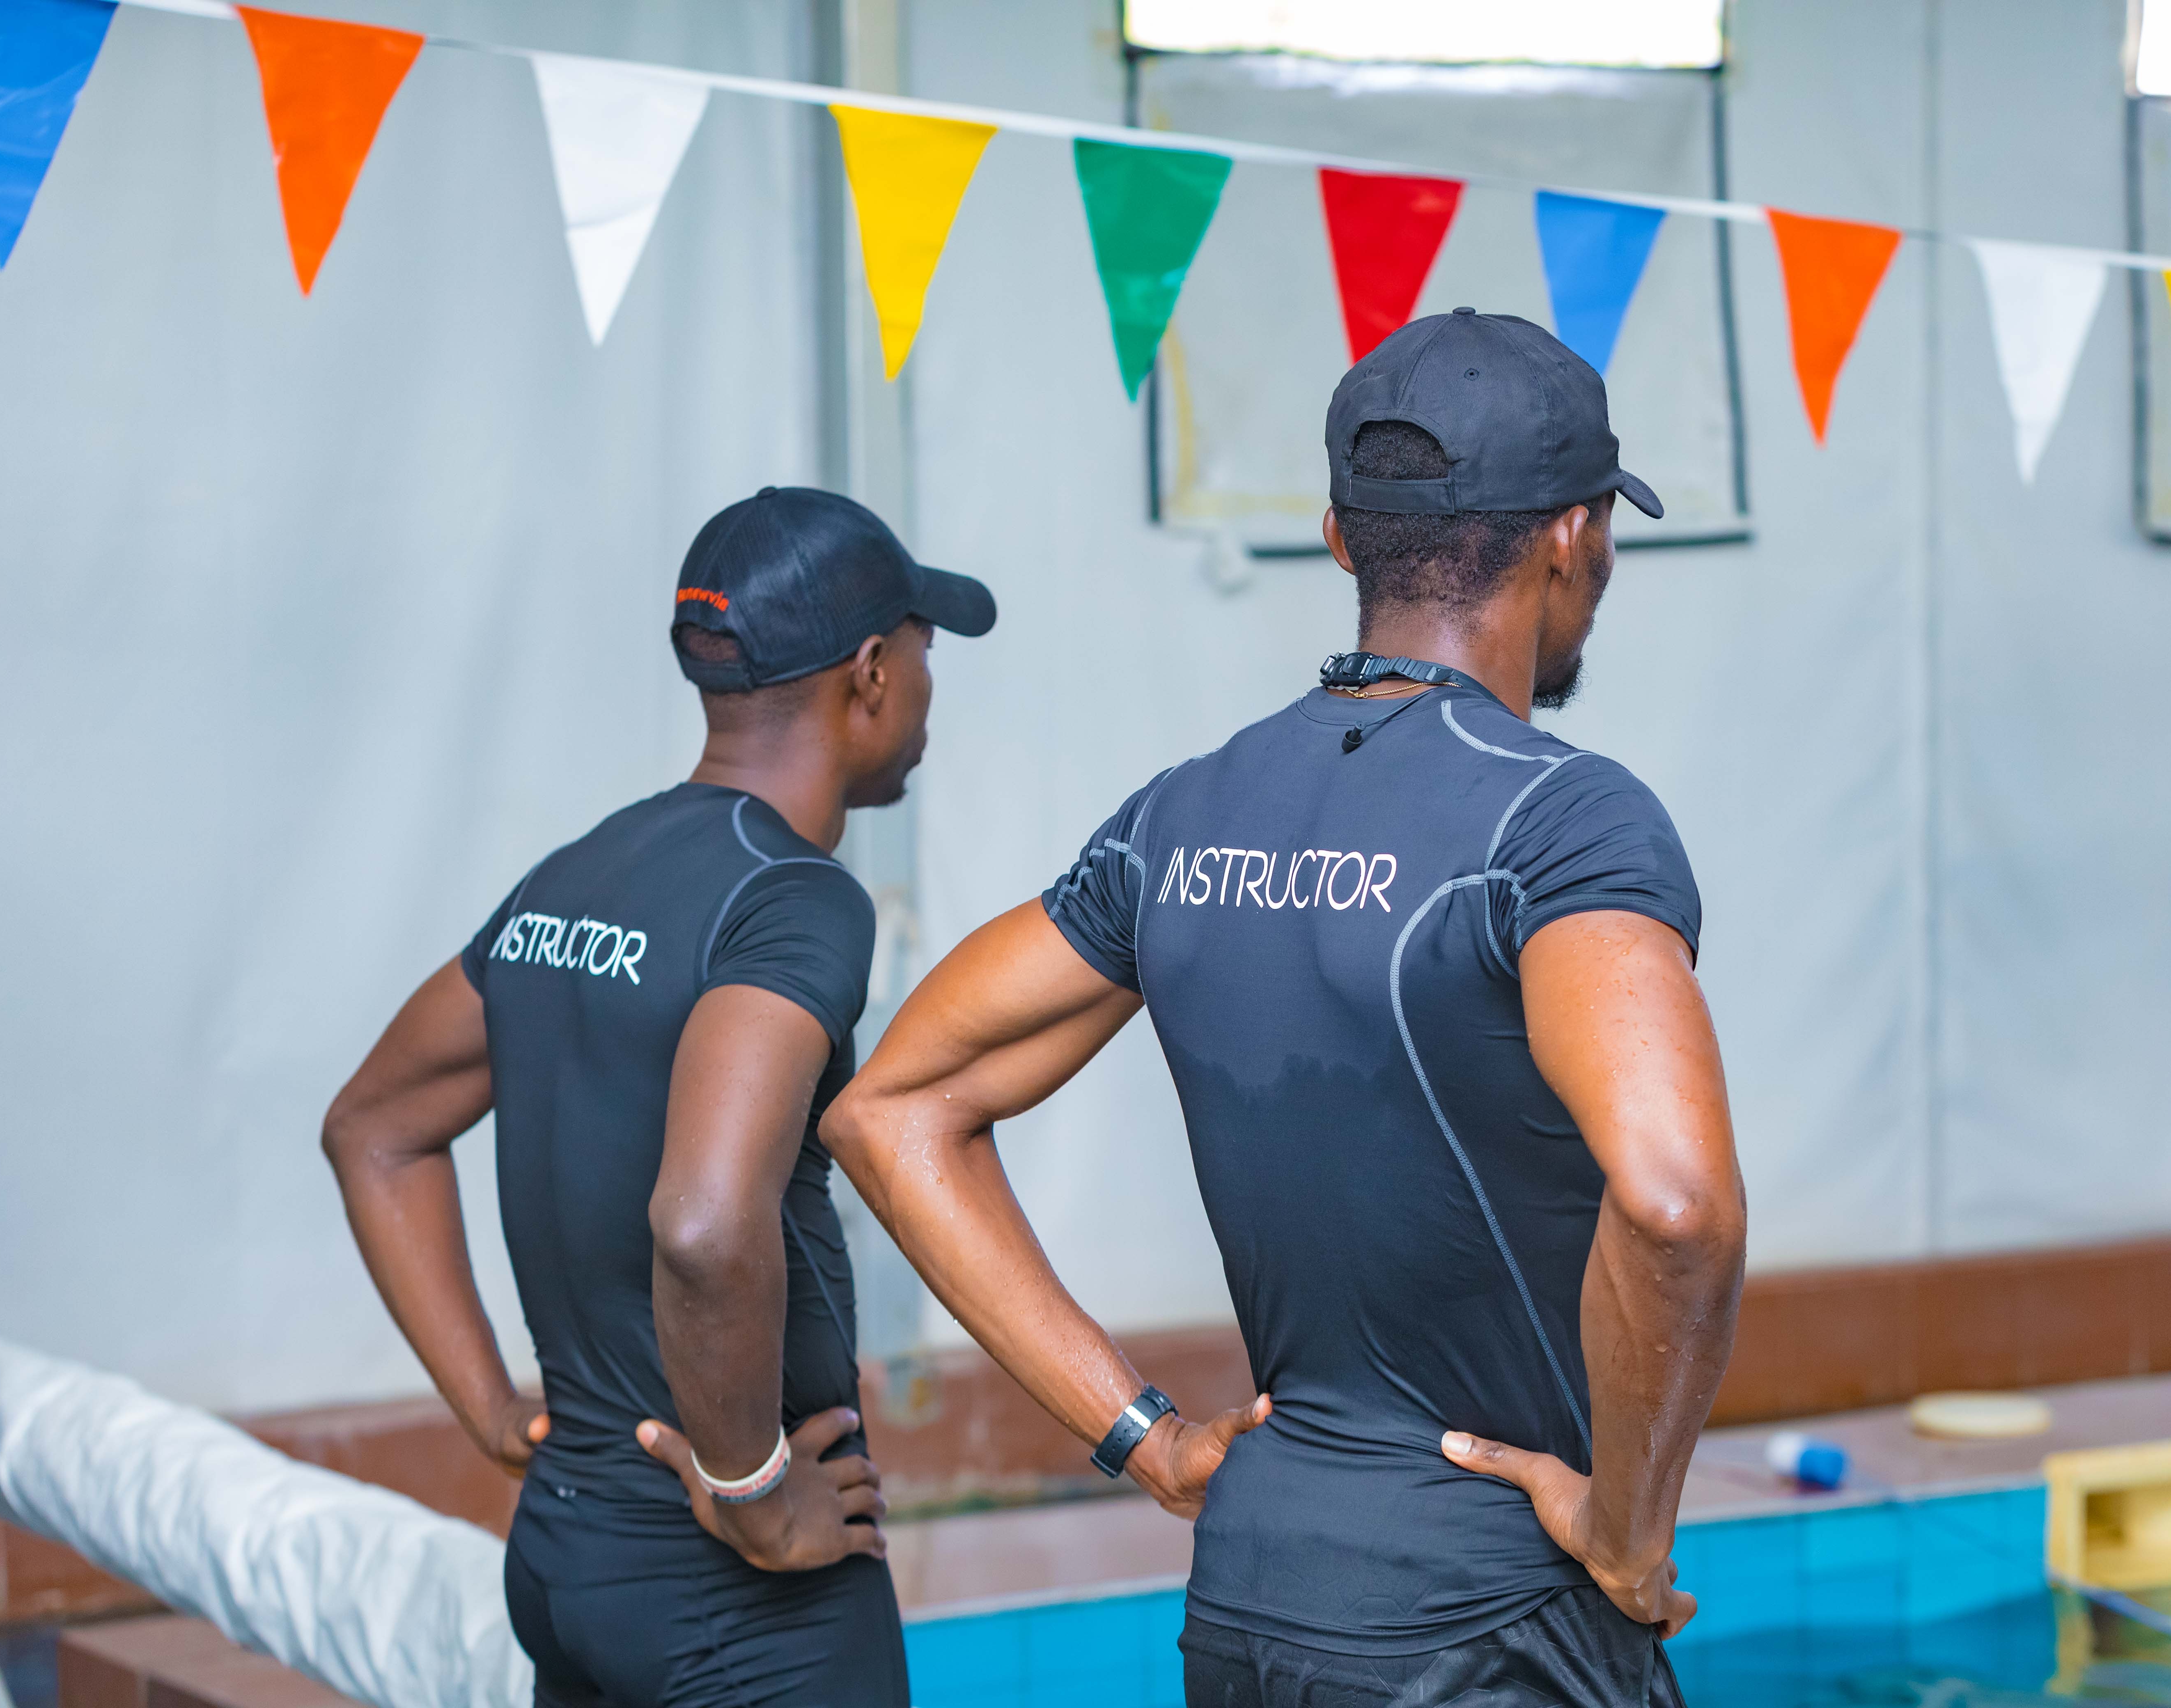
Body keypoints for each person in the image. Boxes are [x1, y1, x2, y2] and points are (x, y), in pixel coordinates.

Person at [822, 311, 1748, 1706]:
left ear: (1335, 537)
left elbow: (890, 1111)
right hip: (1490, 1622)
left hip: (1248, 1607)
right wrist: (1627, 1530)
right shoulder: (1563, 824)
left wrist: (1143, 1438)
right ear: (1572, 536)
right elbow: (1676, 1203)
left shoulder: (1186, 815)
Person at [322, 487, 996, 1708]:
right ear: (871, 676)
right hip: (733, 1597)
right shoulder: (791, 900)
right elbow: (702, 1221)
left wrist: (490, 1407)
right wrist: (752, 1495)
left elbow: (374, 1129)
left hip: (570, 1554)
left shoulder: (575, 874)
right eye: (923, 649)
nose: (926, 682)